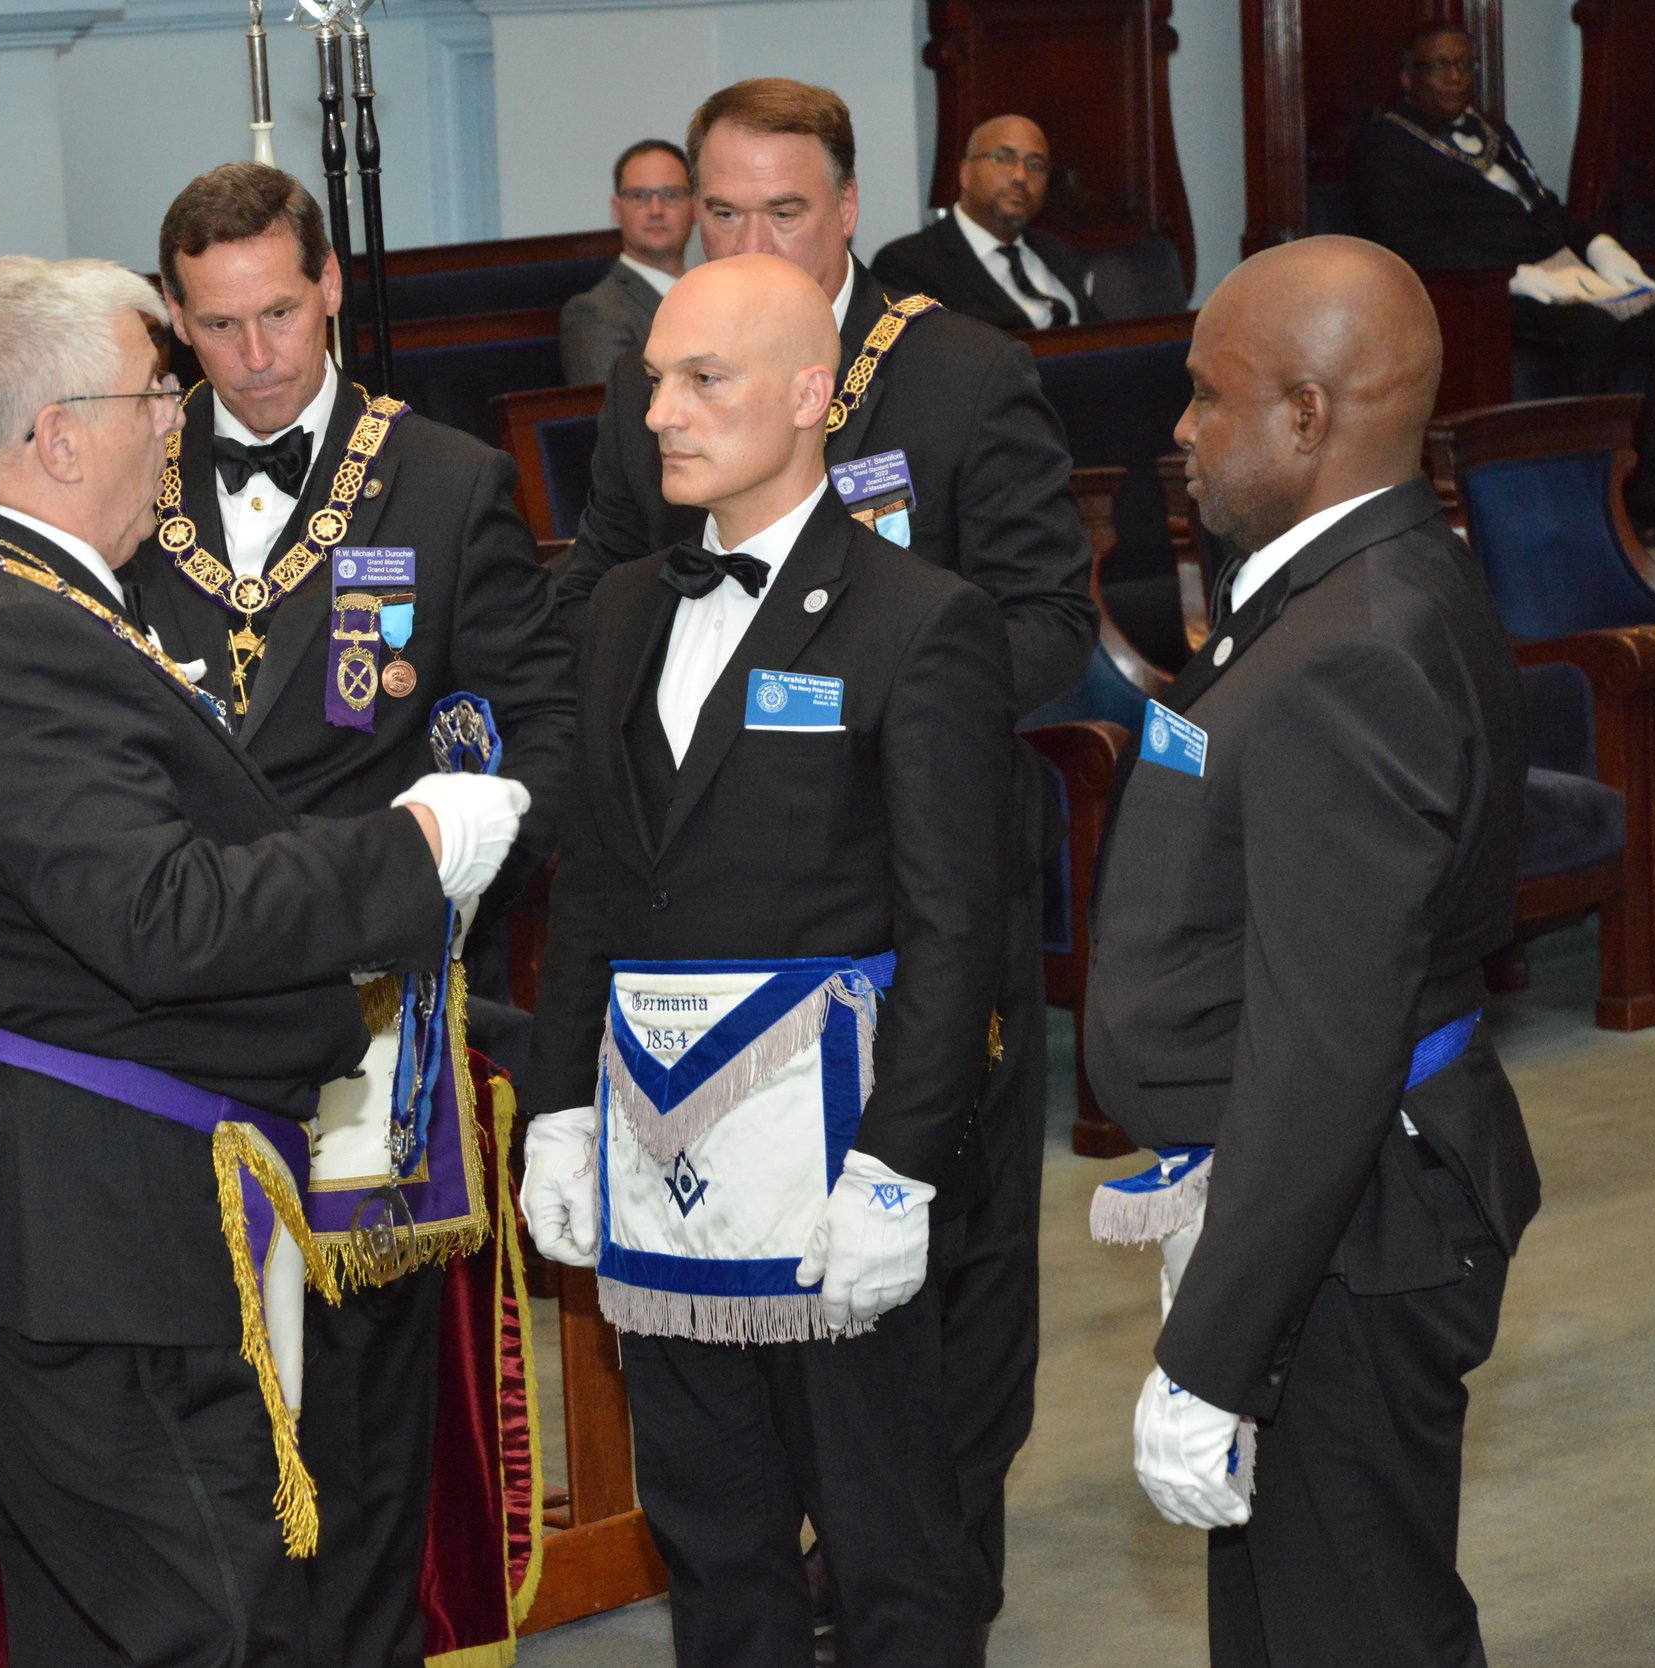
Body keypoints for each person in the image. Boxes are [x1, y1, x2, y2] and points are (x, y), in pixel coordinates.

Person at [0, 253, 530, 1668]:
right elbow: (162, 915)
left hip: (24, 1217)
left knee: (98, 1631)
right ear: (60, 431)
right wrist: (412, 845)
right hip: (72, 1233)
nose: (180, 419)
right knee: (222, 1628)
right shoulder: (10, 627)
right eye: (156, 389)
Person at [558, 76, 1093, 1627]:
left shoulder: (960, 376)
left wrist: (867, 670)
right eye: (717, 211)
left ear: (847, 211)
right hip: (682, 1008)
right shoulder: (662, 397)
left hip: (891, 958)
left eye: (780, 212)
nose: (745, 236)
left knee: (909, 1458)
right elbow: (604, 590)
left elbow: (1052, 624)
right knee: (715, 1501)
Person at [520, 253, 1012, 1667]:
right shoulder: (618, 608)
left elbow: (953, 930)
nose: (660, 412)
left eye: (702, 380)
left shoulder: (922, 620)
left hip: (838, 1168)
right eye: (655, 380)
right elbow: (600, 889)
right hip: (664, 1164)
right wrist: (561, 1110)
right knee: (712, 1537)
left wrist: (898, 1167)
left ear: (811, 395)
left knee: (891, 1549)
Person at [130, 160, 577, 1668]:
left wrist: (453, 858)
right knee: (197, 1375)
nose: (255, 356)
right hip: (171, 991)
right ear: (175, 325)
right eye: (217, 326)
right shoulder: (127, 472)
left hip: (374, 1006)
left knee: (370, 1403)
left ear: (329, 287)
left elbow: (535, 729)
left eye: (279, 313)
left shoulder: (443, 479)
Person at [1085, 234, 1539, 1666]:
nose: (1182, 428)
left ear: (1305, 416)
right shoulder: (1323, 584)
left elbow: (1326, 1035)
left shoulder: (1353, 641)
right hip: (1325, 1213)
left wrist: (1214, 1354)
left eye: (1207, 397)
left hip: (1347, 1227)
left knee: (1359, 1629)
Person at [1350, 22, 1655, 540]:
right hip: (1481, 291)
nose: (1457, 78)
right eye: (1441, 66)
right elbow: (1402, 240)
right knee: (1593, 330)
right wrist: (1513, 275)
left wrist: (1598, 246)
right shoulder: (1385, 144)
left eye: (1466, 66)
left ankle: (1652, 488)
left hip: (1560, 273)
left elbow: (1546, 209)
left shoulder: (1494, 133)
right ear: (1407, 78)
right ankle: (1587, 504)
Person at [869, 115, 1102, 334]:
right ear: (965, 173)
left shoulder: (1055, 252)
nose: (1020, 176)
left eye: (1035, 164)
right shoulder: (907, 264)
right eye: (1003, 158)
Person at [560, 139, 695, 383]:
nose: (656, 210)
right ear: (617, 210)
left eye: (671, 195)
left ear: (695, 206)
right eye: (640, 196)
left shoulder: (715, 294)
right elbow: (614, 416)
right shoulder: (595, 312)